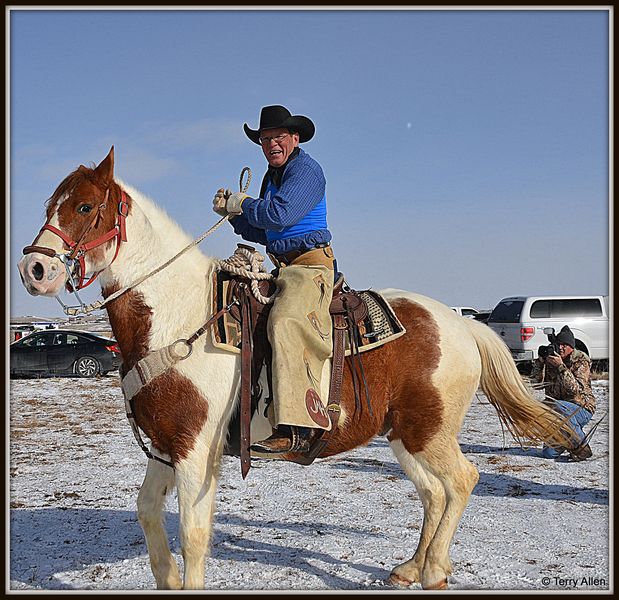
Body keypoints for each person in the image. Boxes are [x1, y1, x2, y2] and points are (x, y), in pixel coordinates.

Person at [213, 105, 336, 454]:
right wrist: (233, 214)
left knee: (284, 322)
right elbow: (265, 231)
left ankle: (296, 427)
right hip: (282, 265)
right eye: (265, 139)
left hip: (311, 268)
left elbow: (279, 215)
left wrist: (244, 202)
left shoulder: (307, 173)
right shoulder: (271, 176)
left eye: (278, 138)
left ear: (294, 139)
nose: (271, 145)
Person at [530, 325, 596, 460]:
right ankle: (567, 438)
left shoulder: (580, 360)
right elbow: (536, 385)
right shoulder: (551, 359)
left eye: (565, 345)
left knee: (559, 405)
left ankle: (582, 448)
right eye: (559, 344)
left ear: (571, 346)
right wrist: (540, 363)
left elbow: (574, 389)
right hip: (557, 412)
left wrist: (561, 367)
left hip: (582, 408)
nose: (561, 348)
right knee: (548, 454)